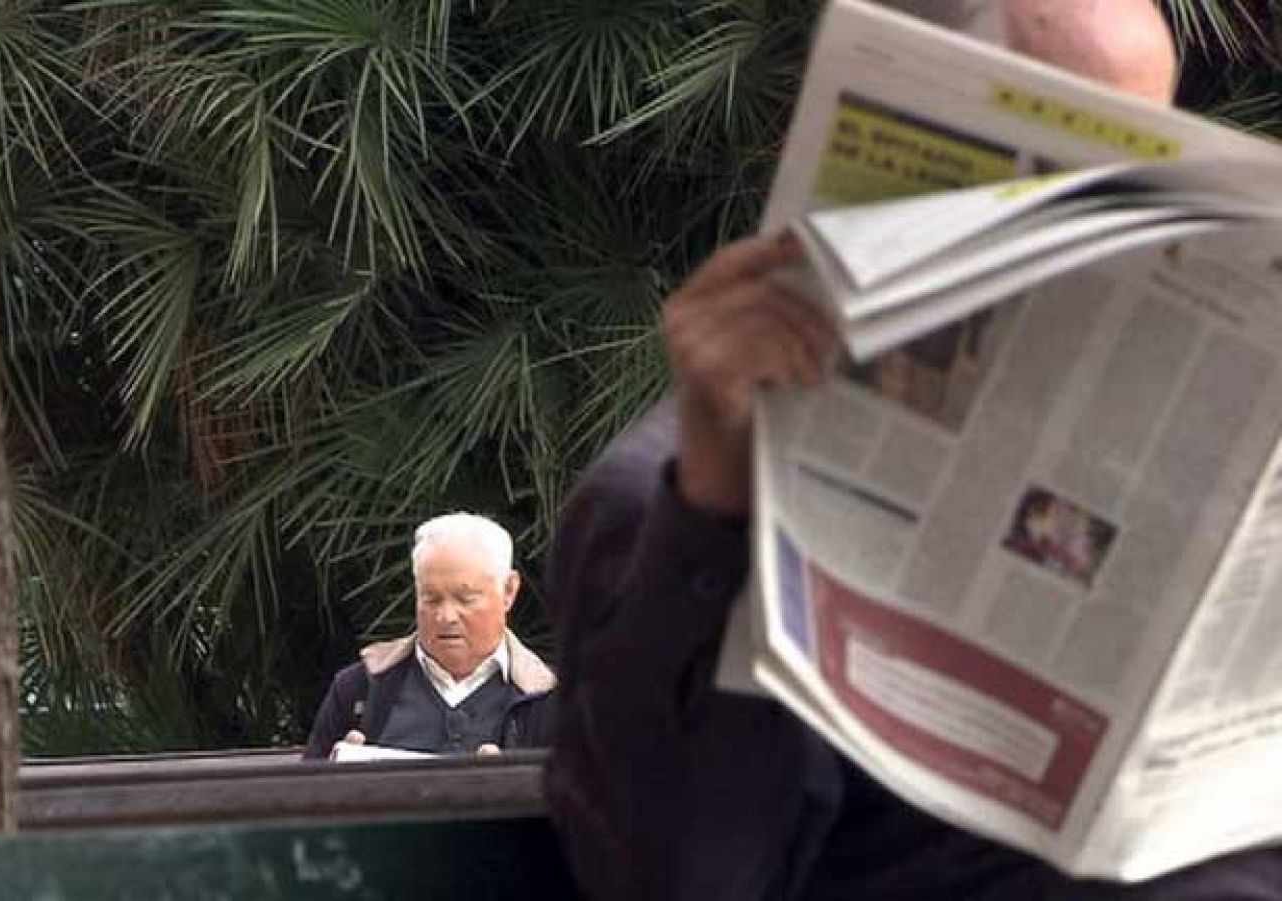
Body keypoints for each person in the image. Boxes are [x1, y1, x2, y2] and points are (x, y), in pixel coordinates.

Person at [544, 0, 1282, 898]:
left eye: (1139, 178)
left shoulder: (1215, 465)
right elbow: (674, 877)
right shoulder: (658, 499)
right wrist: (714, 506)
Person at [303, 513, 556, 759]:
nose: (446, 616)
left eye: (465, 599)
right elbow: (303, 796)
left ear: (509, 591)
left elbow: (579, 796)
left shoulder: (550, 700)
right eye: (431, 599)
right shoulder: (359, 690)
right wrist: (337, 779)